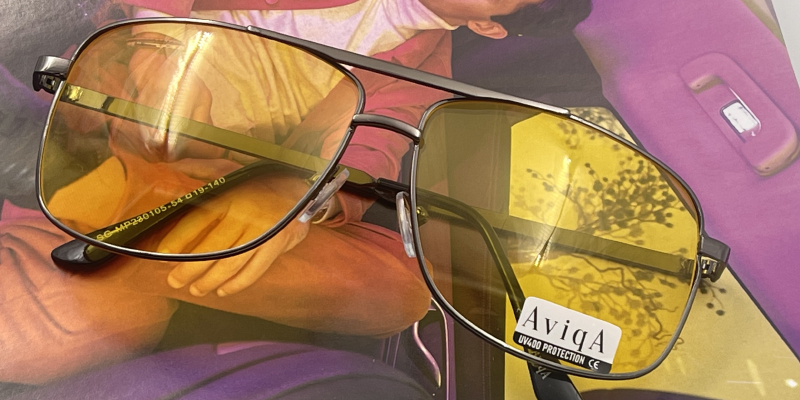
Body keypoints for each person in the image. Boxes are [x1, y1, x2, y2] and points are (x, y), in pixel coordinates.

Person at [0, 0, 593, 385]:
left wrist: (290, 194)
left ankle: (80, 189)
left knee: (399, 291)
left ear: (488, 26)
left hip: (200, 185)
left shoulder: (420, 85)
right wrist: (156, 31)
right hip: (112, 103)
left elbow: (364, 165)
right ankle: (76, 181)